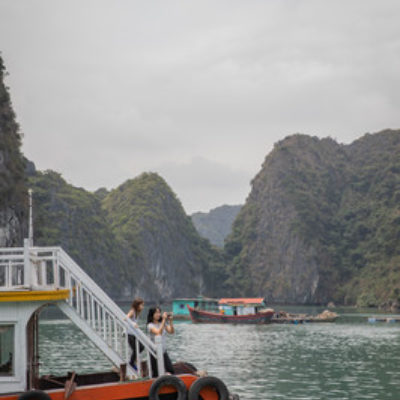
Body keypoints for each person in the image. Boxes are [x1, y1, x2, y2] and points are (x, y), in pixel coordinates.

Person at [147, 306, 175, 376]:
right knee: (156, 374)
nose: (158, 314)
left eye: (159, 312)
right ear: (152, 314)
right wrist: (163, 320)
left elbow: (171, 331)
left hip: (163, 351)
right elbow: (158, 332)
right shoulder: (150, 325)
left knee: (171, 370)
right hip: (154, 353)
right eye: (156, 313)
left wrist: (170, 321)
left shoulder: (162, 323)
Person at [126, 297, 145, 370]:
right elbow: (126, 318)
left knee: (140, 348)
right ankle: (131, 363)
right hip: (129, 334)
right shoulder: (132, 311)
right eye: (141, 305)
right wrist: (133, 324)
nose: (143, 307)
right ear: (137, 305)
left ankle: (132, 362)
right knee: (137, 349)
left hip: (133, 334)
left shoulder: (137, 313)